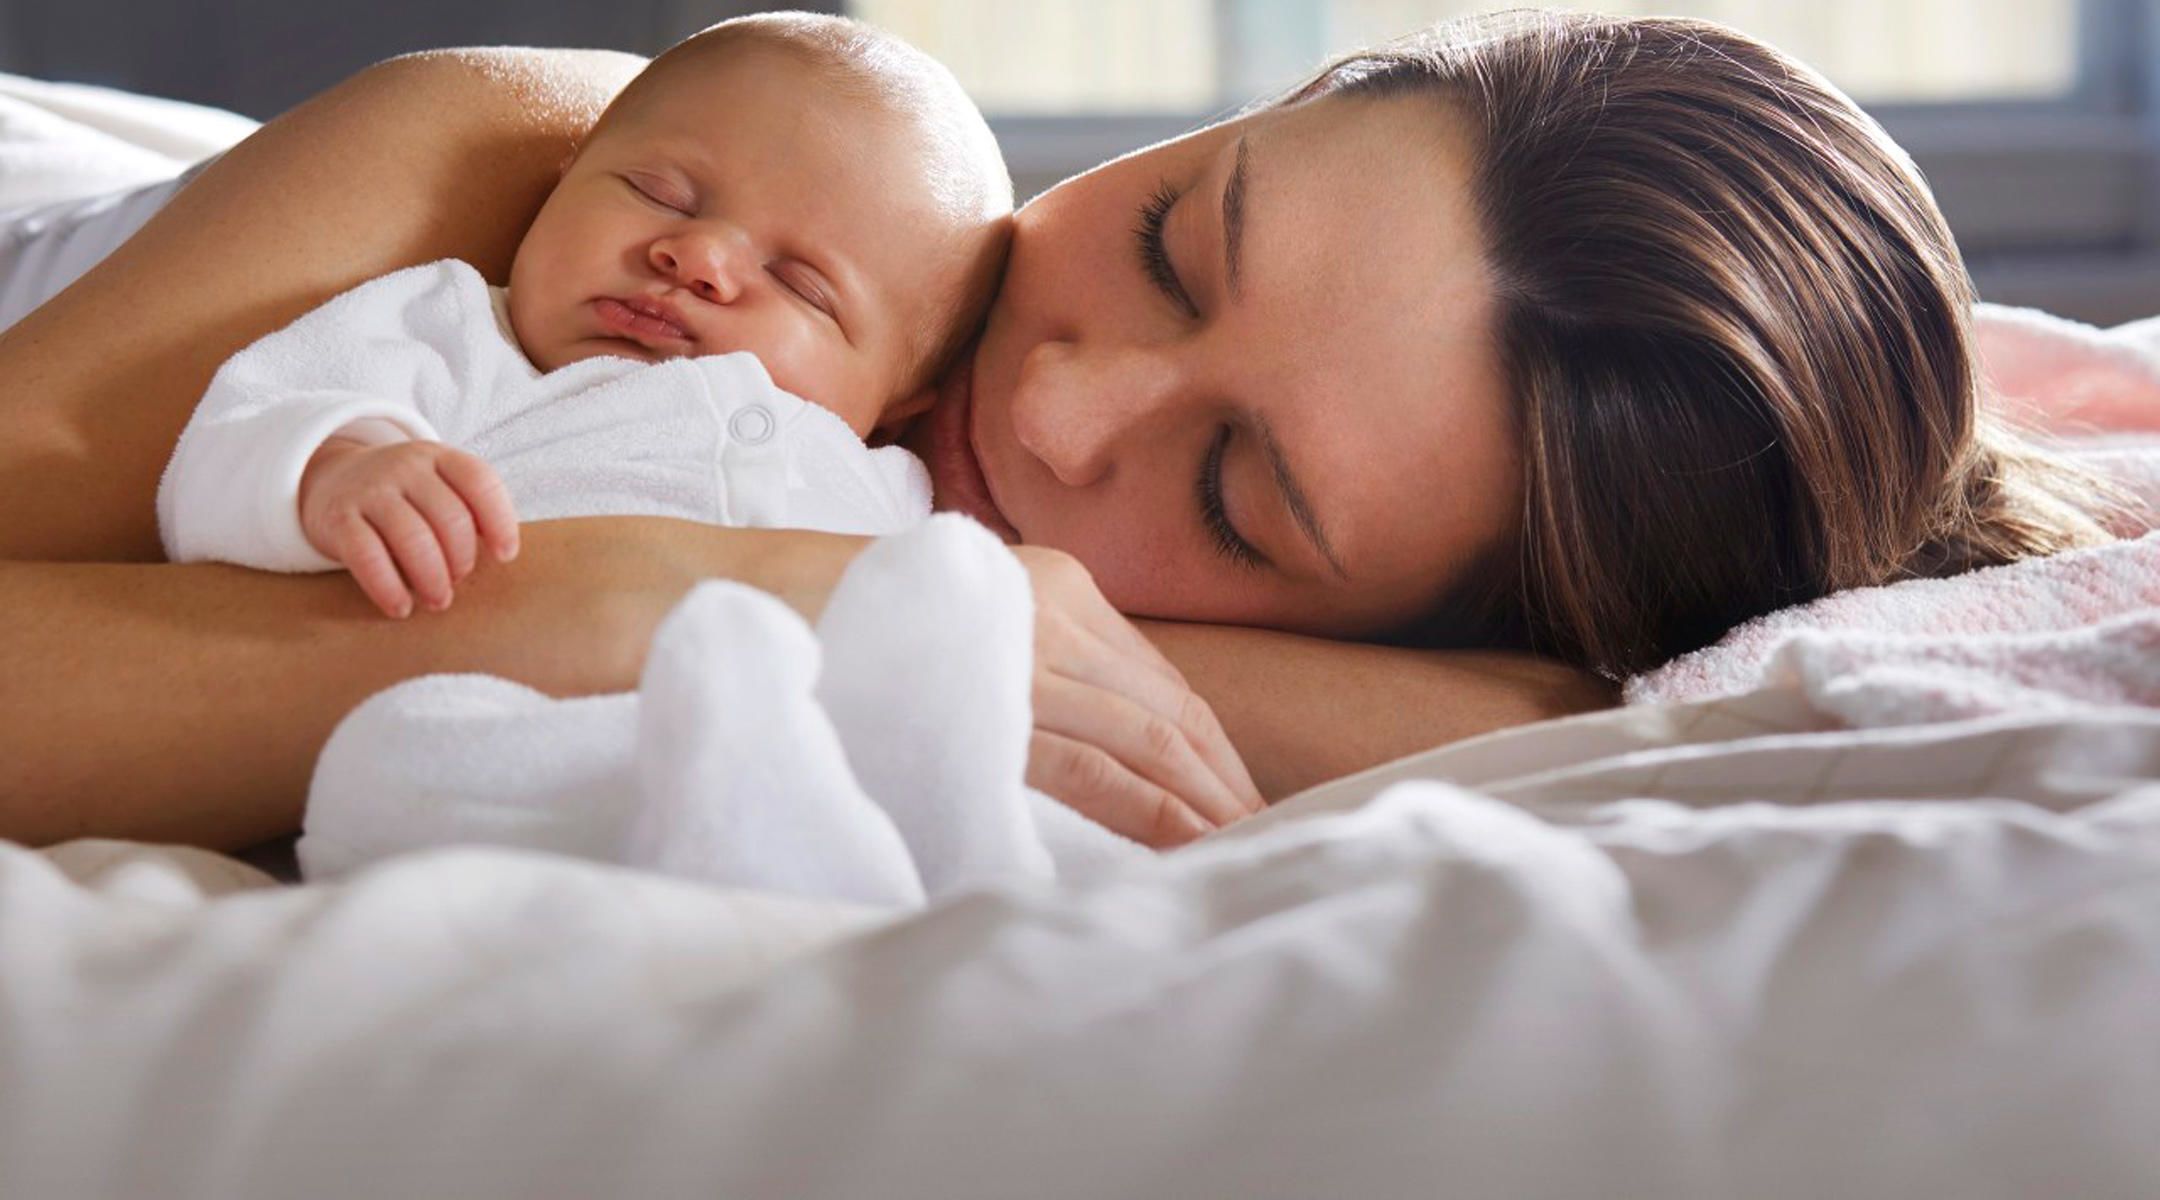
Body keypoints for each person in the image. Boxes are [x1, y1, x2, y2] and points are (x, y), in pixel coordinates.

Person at [2, 11, 2116, 855]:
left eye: (1233, 493)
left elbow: (1556, 702)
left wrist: (902, 604)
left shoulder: (1424, 671)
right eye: (1183, 238)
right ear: (1262, 109)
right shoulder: (575, 185)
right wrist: (685, 593)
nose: (1054, 393)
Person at [157, 15, 1012, 618]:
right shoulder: (456, 336)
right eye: (655, 193)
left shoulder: (893, 495)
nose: (699, 257)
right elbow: (232, 432)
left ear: (898, 404)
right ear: (561, 181)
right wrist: (333, 469)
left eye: (802, 285)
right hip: (482, 724)